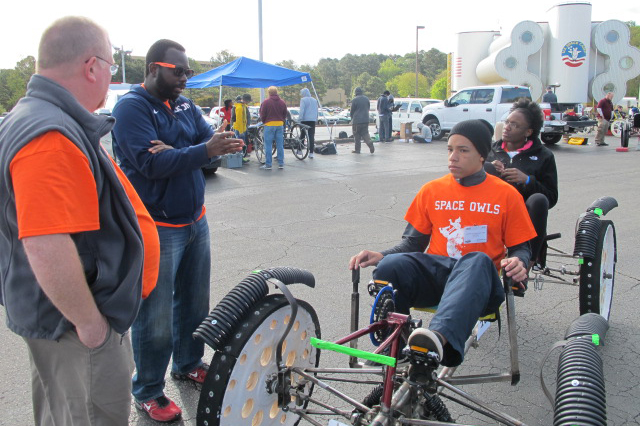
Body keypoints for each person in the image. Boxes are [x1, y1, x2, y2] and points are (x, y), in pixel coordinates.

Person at [0, 16, 161, 425]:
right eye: (109, 65)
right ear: (91, 67)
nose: (110, 75)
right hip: (76, 329)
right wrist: (91, 327)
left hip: (65, 321)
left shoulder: (41, 117)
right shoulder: (49, 136)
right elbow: (44, 243)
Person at [111, 39, 244, 422]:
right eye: (179, 71)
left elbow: (200, 140)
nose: (186, 78)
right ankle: (148, 390)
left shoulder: (184, 103)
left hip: (194, 220)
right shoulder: (131, 108)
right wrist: (198, 151)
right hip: (158, 227)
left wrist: (180, 149)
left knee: (194, 303)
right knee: (154, 317)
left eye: (188, 71)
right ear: (154, 68)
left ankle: (188, 363)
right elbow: (151, 165)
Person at [349, 119, 536, 368]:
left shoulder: (506, 195)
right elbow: (411, 245)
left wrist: (519, 261)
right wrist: (381, 255)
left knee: (476, 259)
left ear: (482, 155)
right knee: (391, 265)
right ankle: (396, 344)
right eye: (450, 149)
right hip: (439, 276)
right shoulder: (432, 191)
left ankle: (436, 341)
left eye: (463, 150)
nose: (453, 157)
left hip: (479, 283)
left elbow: (522, 247)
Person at [485, 98, 558, 264]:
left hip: (523, 216)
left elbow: (551, 198)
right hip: (490, 211)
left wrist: (528, 181)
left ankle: (526, 265)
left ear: (528, 132)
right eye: (507, 122)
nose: (507, 127)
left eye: (515, 125)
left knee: (539, 199)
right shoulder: (488, 150)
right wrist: (487, 167)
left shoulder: (544, 156)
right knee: (485, 169)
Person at [259, 86, 288, 170]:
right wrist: (281, 120)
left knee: (268, 145)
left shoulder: (266, 102)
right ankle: (281, 163)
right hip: (279, 124)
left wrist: (264, 121)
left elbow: (262, 114)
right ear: (276, 92)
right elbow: (285, 113)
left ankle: (268, 164)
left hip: (269, 124)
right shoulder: (282, 102)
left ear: (269, 93)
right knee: (280, 144)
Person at [350, 87, 375, 154]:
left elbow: (352, 111)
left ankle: (357, 150)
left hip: (357, 121)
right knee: (365, 133)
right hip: (366, 119)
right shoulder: (366, 99)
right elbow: (368, 108)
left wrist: (352, 118)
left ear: (356, 93)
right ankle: (369, 143)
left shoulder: (354, 100)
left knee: (356, 135)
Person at [299, 87, 319, 158]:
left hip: (304, 119)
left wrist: (299, 119)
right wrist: (316, 118)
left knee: (302, 135)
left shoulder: (303, 100)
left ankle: (299, 149)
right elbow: (316, 110)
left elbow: (302, 110)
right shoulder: (314, 100)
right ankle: (311, 153)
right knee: (311, 136)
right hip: (312, 120)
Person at [232, 94, 252, 163]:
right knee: (240, 143)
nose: (248, 103)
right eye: (248, 101)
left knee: (241, 143)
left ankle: (240, 158)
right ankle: (240, 158)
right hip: (239, 128)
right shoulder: (240, 107)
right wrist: (241, 131)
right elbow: (239, 120)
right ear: (246, 100)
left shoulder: (243, 106)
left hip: (242, 128)